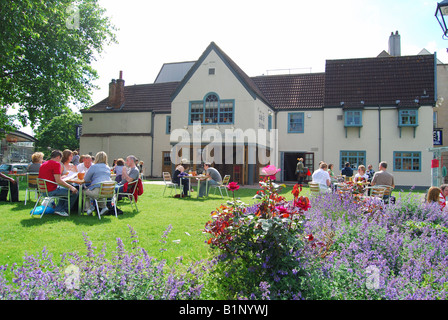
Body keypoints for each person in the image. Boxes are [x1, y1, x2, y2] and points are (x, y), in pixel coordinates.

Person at [38, 149, 78, 216]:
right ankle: (63, 210)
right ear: (58, 157)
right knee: (75, 192)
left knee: (64, 190)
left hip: (43, 190)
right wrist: (71, 187)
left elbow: (51, 177)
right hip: (51, 190)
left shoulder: (43, 164)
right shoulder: (56, 164)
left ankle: (58, 209)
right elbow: (58, 181)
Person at [83, 151, 112, 216]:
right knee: (100, 193)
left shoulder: (94, 167)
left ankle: (88, 209)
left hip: (98, 190)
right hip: (109, 191)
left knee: (83, 192)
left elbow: (86, 179)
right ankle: (104, 207)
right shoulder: (108, 167)